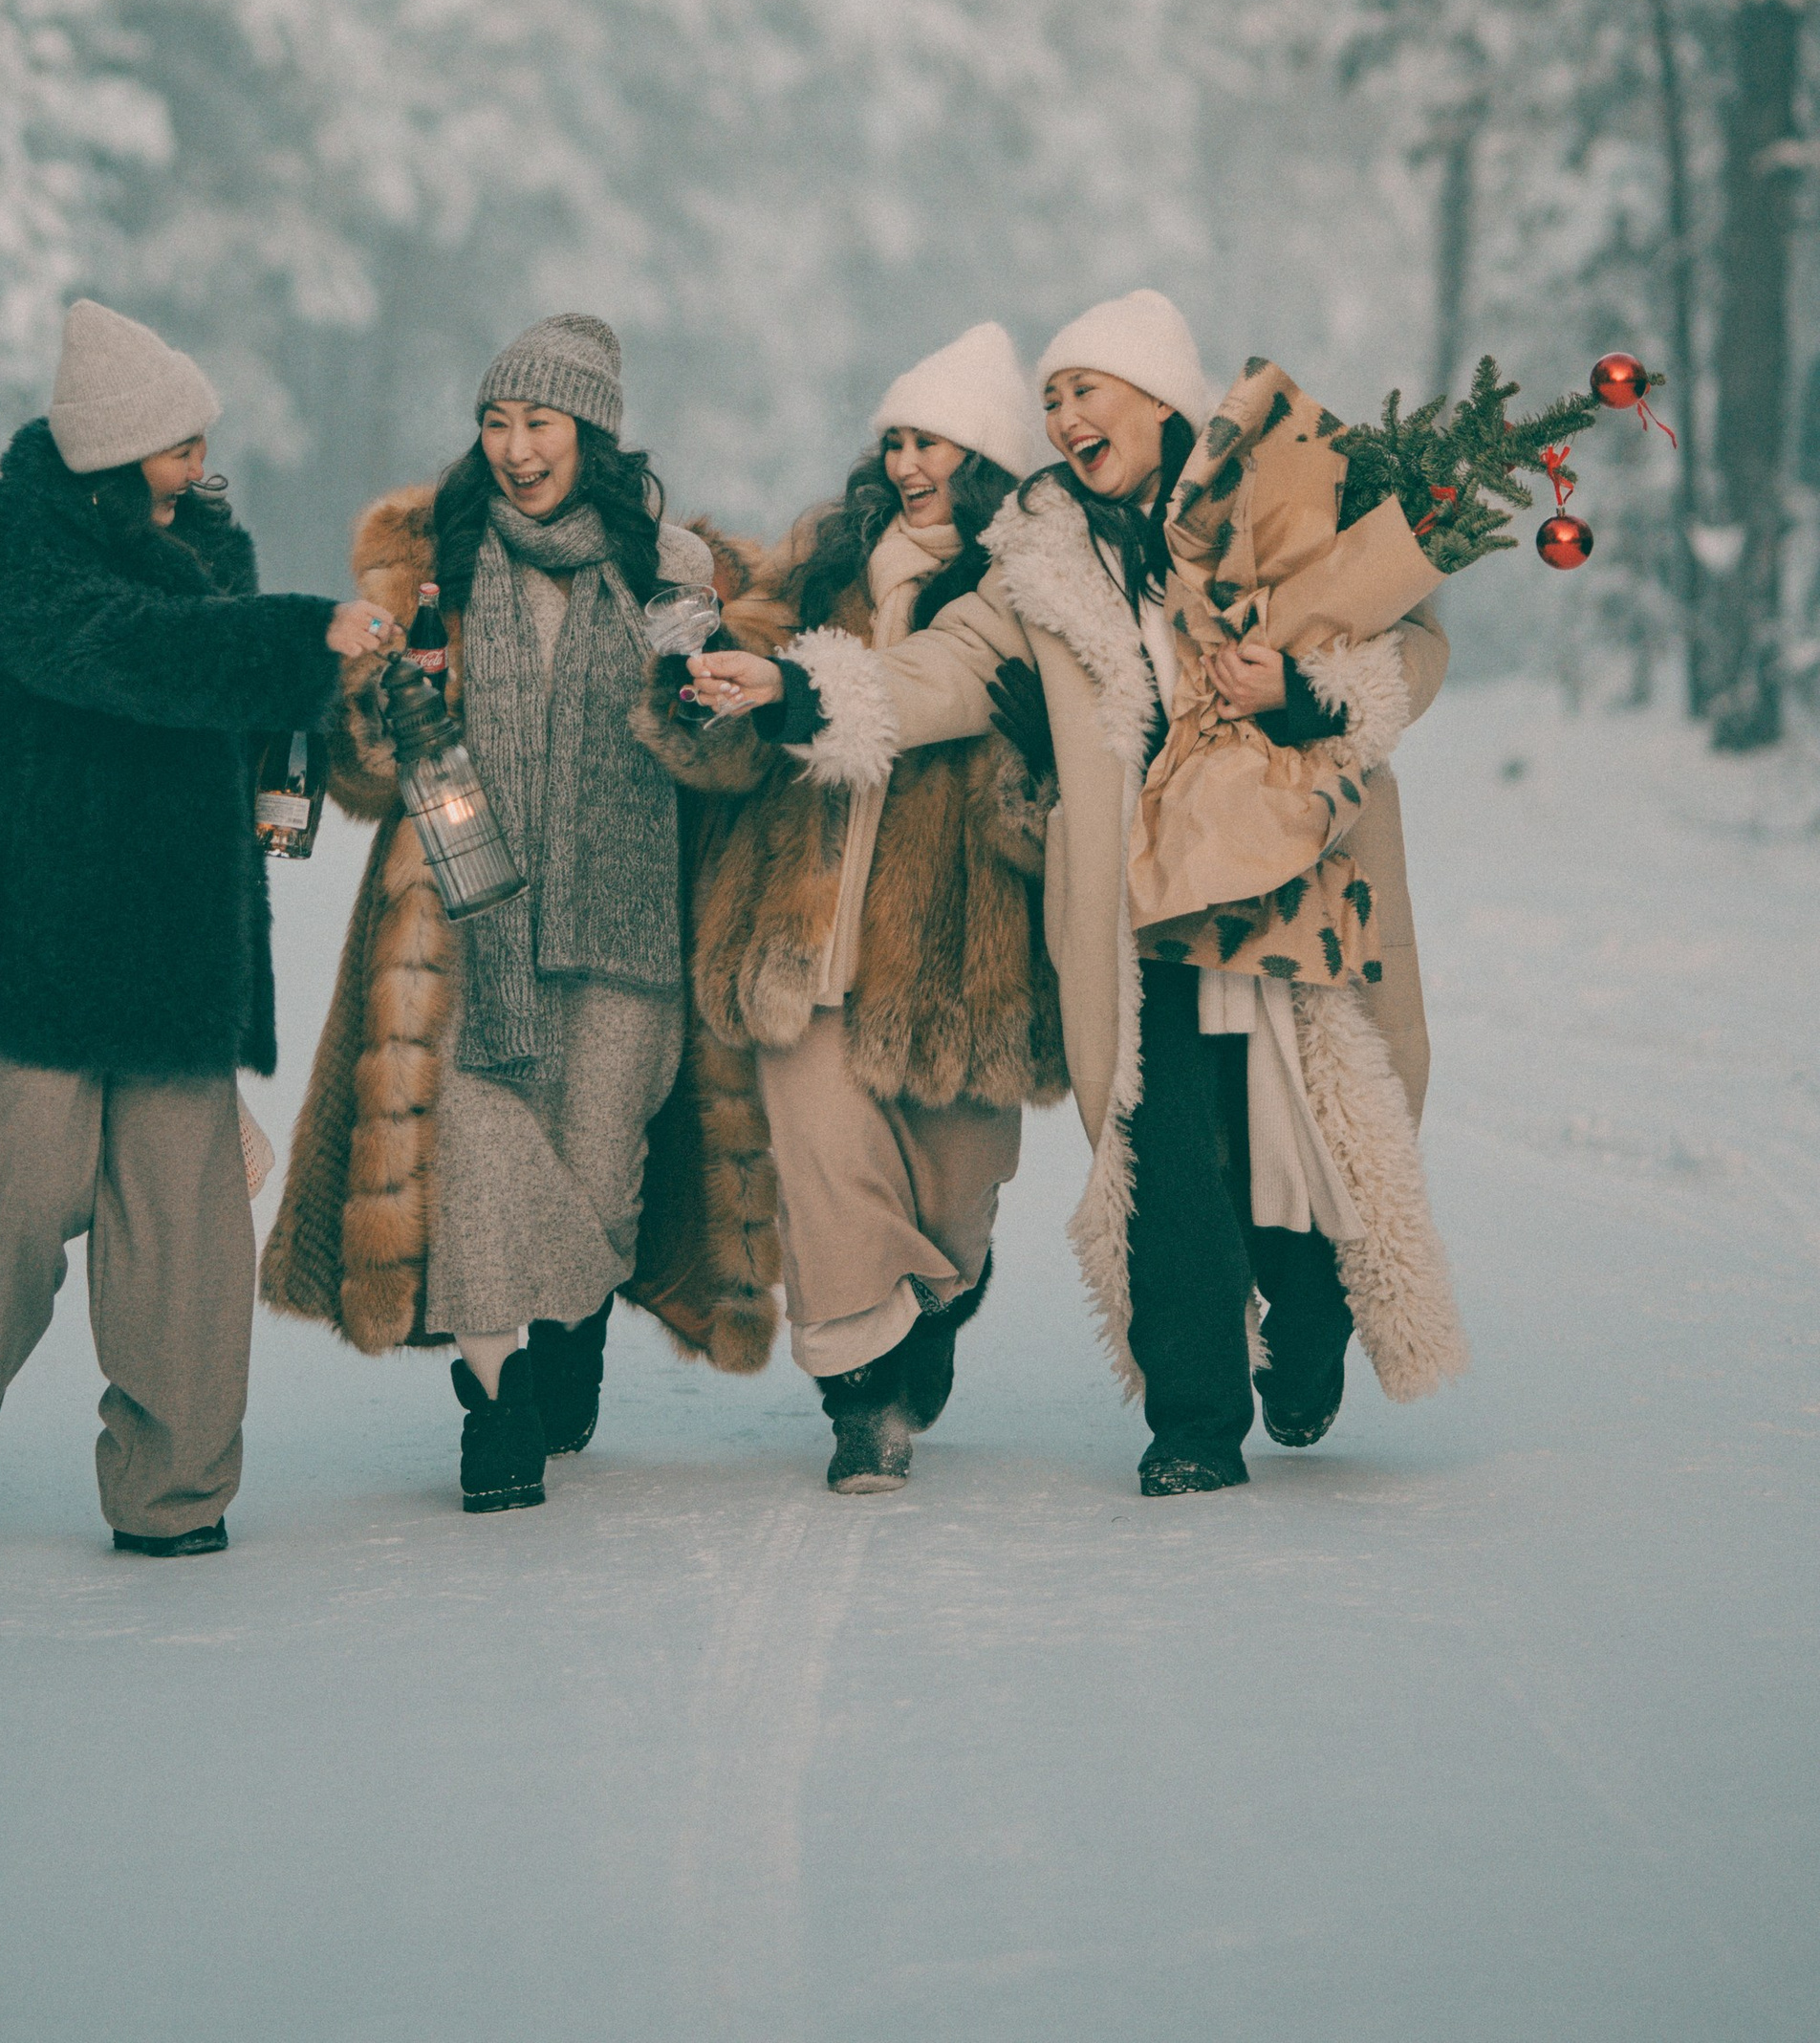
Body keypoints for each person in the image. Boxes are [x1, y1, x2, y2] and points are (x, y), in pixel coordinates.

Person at [687, 289, 1462, 1497]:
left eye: (1082, 390)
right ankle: (1194, 1426)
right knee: (1165, 1166)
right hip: (1137, 907)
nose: (1061, 418)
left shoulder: (1275, 506)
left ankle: (1311, 1331)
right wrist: (798, 693)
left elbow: (1408, 638)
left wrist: (1300, 689)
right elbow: (939, 669)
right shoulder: (1039, 562)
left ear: (1159, 399)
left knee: (1303, 1150)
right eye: (1047, 401)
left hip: (1281, 893)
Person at [0, 299, 389, 1556]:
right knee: (16, 1211)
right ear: (114, 447)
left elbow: (216, 687)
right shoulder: (13, 547)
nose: (203, 461)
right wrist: (287, 641)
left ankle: (175, 1496)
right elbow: (122, 654)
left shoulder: (214, 544)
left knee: (188, 1234)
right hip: (27, 939)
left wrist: (310, 709)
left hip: (177, 939)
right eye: (180, 440)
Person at [262, 315, 725, 1515]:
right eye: (496, 421)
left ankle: (566, 1335)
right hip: (472, 918)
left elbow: (713, 759)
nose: (515, 448)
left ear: (595, 433)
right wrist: (380, 714)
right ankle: (495, 1409)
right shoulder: (435, 562)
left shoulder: (669, 567)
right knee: (473, 1154)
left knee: (595, 1189)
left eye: (541, 423)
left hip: (626, 932)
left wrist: (706, 690)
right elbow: (366, 772)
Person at [639, 325, 1068, 1491]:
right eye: (894, 440)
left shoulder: (1026, 593)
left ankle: (932, 1304)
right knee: (827, 1175)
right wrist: (711, 689)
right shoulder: (818, 572)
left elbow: (1045, 795)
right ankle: (859, 1405)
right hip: (798, 927)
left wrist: (1040, 779)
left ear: (983, 458)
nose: (907, 463)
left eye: (931, 441)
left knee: (955, 1190)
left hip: (960, 955)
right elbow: (748, 704)